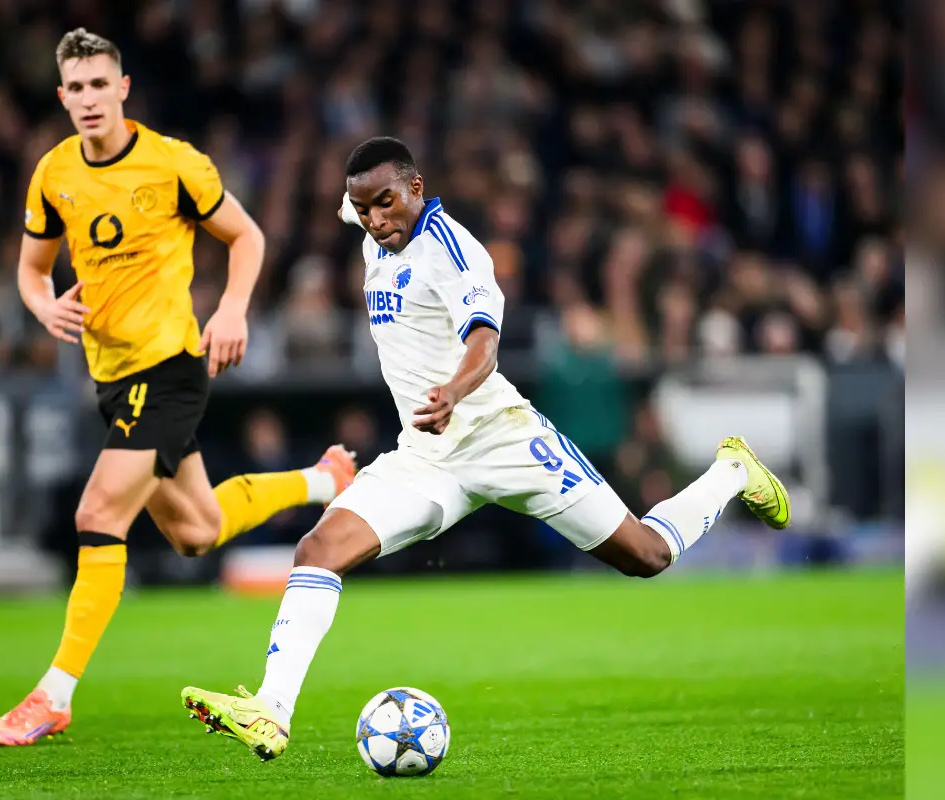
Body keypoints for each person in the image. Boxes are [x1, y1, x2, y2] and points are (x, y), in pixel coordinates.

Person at [181, 137, 792, 762]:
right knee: (319, 550)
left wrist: (452, 390)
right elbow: (350, 201)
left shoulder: (454, 250)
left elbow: (484, 343)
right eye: (363, 210)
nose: (376, 220)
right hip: (426, 455)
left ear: (416, 188)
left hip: (503, 437)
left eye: (386, 203)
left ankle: (731, 471)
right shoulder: (371, 221)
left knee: (646, 555)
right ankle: (271, 711)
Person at [0, 29, 357, 747]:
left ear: (123, 88)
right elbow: (31, 269)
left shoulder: (174, 163)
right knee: (196, 530)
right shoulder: (54, 174)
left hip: (170, 370)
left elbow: (247, 237)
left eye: (100, 84)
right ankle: (323, 480)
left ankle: (52, 695)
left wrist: (233, 308)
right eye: (76, 88)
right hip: (112, 379)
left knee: (98, 511)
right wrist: (44, 306)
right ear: (62, 97)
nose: (89, 98)